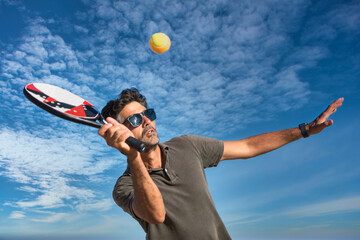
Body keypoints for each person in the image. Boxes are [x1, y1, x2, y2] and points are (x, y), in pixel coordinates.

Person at [98, 88, 344, 240]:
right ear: (121, 130)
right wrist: (133, 156)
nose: (147, 123)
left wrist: (305, 130)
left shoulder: (188, 146)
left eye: (148, 114)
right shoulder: (124, 186)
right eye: (135, 119)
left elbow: (248, 147)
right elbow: (155, 213)